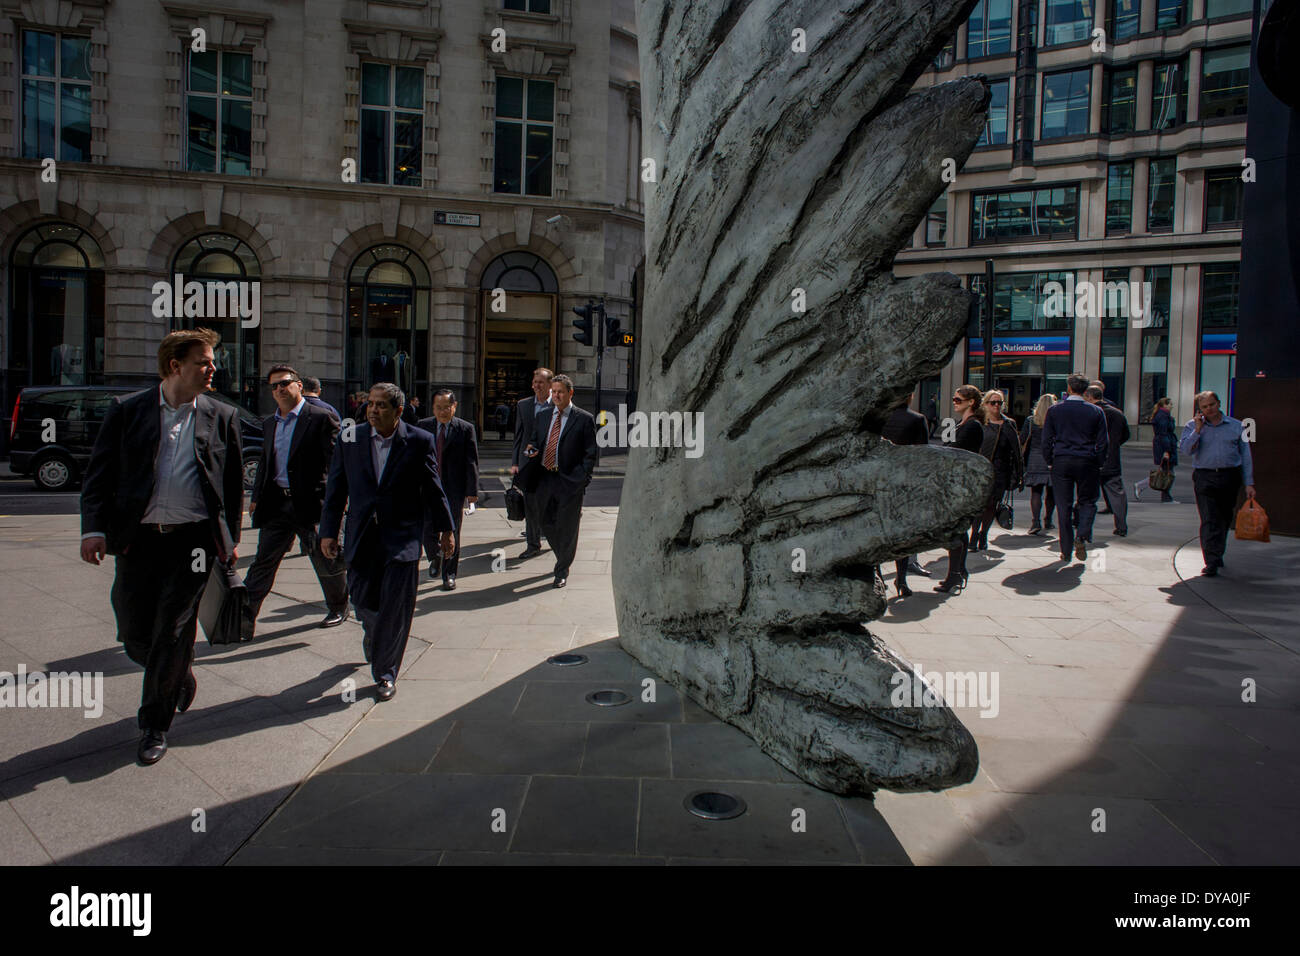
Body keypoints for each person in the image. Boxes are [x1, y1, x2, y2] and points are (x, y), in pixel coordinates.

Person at [79, 328, 244, 766]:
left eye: (213, 362)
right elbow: (99, 476)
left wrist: (229, 542)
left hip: (192, 542)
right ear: (176, 366)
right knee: (134, 633)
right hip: (140, 540)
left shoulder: (221, 415)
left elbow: (230, 487)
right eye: (204, 362)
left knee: (172, 630)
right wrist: (93, 528)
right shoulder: (127, 411)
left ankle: (154, 724)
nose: (214, 370)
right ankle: (177, 671)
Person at [319, 383, 455, 700]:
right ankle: (375, 635)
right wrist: (328, 531)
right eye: (370, 404)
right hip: (361, 537)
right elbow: (336, 489)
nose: (373, 410)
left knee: (395, 610)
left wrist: (446, 530)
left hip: (402, 538)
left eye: (381, 405)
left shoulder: (419, 440)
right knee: (364, 603)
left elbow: (433, 488)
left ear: (398, 410)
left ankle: (385, 673)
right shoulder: (350, 438)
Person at [243, 365, 349, 631]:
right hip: (277, 504)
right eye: (274, 386)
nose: (279, 389)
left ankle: (338, 606)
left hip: (312, 504)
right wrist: (257, 496)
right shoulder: (270, 422)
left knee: (325, 559)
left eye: (284, 383)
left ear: (299, 385)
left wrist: (337, 507)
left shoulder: (321, 417)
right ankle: (244, 617)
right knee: (263, 561)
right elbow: (267, 463)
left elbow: (336, 466)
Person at [519, 374, 598, 588]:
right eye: (553, 392)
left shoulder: (583, 419)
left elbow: (591, 453)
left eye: (560, 392)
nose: (556, 395)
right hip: (545, 477)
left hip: (570, 481)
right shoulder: (544, 415)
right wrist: (531, 451)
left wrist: (582, 479)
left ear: (570, 393)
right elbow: (535, 441)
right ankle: (563, 555)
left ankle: (561, 569)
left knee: (568, 526)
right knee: (544, 520)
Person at [1178, 390, 1256, 577]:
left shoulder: (1237, 426)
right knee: (1209, 518)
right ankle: (1211, 560)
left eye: (1212, 405)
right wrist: (1197, 430)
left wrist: (1249, 483)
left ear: (1219, 403)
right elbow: (1186, 450)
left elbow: (1246, 455)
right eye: (1204, 407)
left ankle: (1217, 551)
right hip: (1205, 477)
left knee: (1224, 518)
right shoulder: (1192, 426)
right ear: (1199, 410)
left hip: (1230, 476)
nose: (1209, 409)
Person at [1042, 373, 1108, 563]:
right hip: (1087, 460)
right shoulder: (1095, 411)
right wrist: (1099, 461)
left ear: (1069, 389)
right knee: (1088, 501)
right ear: (1086, 391)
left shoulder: (1055, 411)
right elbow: (1103, 443)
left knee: (1064, 506)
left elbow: (1047, 440)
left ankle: (1066, 549)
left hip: (1062, 460)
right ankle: (1083, 534)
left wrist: (1050, 460)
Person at [417, 389, 479, 590]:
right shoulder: (422, 426)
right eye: (438, 407)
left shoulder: (465, 428)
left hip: (453, 488)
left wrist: (471, 492)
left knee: (452, 531)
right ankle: (435, 556)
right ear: (432, 407)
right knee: (427, 529)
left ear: (455, 406)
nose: (442, 412)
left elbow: (471, 462)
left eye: (446, 407)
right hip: (427, 488)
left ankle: (449, 573)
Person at [934, 384, 986, 594]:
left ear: (971, 402)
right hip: (958, 481)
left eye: (958, 400)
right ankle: (959, 571)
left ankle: (954, 574)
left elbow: (955, 451)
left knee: (955, 528)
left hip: (962, 483)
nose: (954, 403)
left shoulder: (972, 426)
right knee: (959, 528)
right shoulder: (959, 423)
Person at [880, 397, 930, 597]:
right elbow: (924, 455)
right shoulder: (917, 419)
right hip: (904, 483)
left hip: (879, 481)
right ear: (909, 397)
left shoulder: (876, 418)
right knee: (903, 534)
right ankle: (901, 579)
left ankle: (877, 576)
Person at [971, 388, 1022, 551]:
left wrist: (1019, 474)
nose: (996, 406)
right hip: (982, 470)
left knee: (992, 505)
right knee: (979, 504)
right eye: (992, 402)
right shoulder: (980, 423)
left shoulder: (1009, 423)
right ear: (985, 404)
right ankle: (974, 535)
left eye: (999, 402)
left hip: (1001, 470)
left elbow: (1016, 451)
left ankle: (983, 534)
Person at [511, 368, 554, 557]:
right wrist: (516, 462)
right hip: (529, 463)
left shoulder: (559, 404)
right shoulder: (524, 405)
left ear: (550, 385)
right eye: (535, 382)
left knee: (552, 503)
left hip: (552, 463)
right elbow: (519, 436)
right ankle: (533, 545)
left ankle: (554, 536)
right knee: (530, 504)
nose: (537, 385)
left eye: (541, 382)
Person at [1085, 384, 1130, 536]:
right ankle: (1121, 526)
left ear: (1090, 397)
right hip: (1112, 459)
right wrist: (1115, 445)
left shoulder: (1091, 413)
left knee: (1087, 494)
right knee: (1117, 494)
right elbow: (1126, 435)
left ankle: (1083, 527)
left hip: (1092, 458)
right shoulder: (1118, 413)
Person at [1019, 393, 1056, 535]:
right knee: (1051, 493)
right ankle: (1048, 519)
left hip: (1035, 458)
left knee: (1036, 492)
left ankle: (1035, 521)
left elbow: (1022, 439)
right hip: (1051, 458)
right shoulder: (1056, 420)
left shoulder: (1031, 420)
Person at [1134, 397, 1179, 503]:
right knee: (1167, 472)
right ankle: (1142, 486)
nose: (1172, 406)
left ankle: (1165, 496)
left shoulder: (1162, 416)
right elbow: (1163, 434)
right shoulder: (1163, 417)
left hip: (1163, 445)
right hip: (1165, 446)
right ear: (1165, 405)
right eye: (1170, 404)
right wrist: (1167, 450)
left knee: (1166, 472)